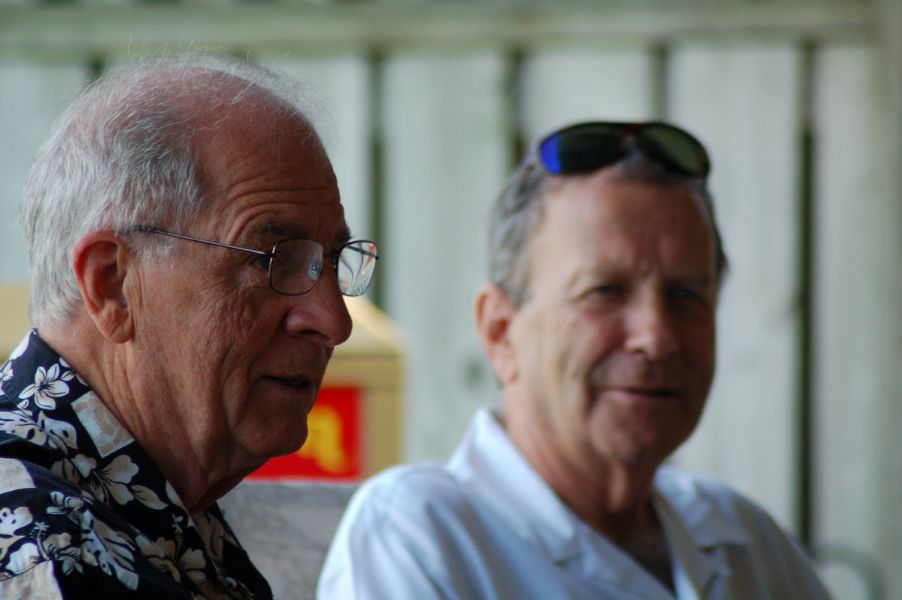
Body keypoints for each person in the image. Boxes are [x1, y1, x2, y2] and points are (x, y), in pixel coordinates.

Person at [318, 121, 829, 599]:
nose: (656, 337)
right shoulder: (421, 535)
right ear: (501, 331)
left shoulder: (744, 539)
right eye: (605, 291)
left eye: (686, 295)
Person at [0, 55, 378, 598]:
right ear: (112, 285)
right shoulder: (41, 548)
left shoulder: (161, 516)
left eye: (331, 261)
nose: (333, 322)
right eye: (272, 260)